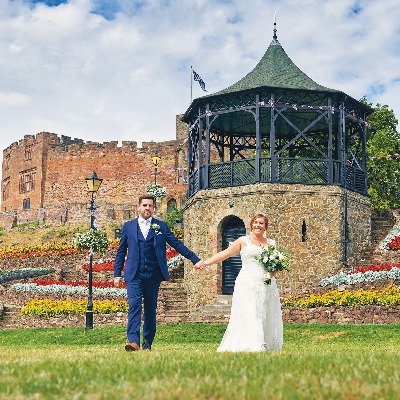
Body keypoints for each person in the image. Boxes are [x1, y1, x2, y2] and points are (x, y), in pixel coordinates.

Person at [114, 195, 205, 352]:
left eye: (150, 206)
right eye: (144, 205)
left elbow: (176, 244)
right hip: (134, 274)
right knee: (134, 305)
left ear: (154, 208)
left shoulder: (161, 226)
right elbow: (121, 251)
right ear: (138, 207)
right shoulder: (128, 226)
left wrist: (194, 258)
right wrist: (117, 273)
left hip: (153, 274)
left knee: (150, 308)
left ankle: (147, 343)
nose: (147, 208)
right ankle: (133, 341)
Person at [202, 212, 283, 352]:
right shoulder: (242, 241)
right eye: (256, 222)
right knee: (250, 311)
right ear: (251, 224)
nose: (258, 225)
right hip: (247, 281)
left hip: (266, 282)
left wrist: (274, 271)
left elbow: (274, 264)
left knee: (264, 311)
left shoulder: (271, 243)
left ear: (265, 227)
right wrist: (205, 262)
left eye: (261, 223)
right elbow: (224, 254)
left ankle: (265, 342)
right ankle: (253, 344)